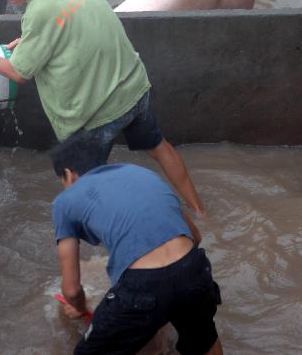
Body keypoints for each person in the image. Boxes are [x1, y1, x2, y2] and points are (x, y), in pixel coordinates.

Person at [0, 0, 205, 215]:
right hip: (134, 88)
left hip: (96, 116)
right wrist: (30, 41)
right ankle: (200, 211)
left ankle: (106, 243)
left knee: (78, 184)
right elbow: (67, 22)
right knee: (159, 147)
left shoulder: (38, 12)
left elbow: (18, 73)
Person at [50, 131, 223, 355]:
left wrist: (80, 309)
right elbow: (195, 236)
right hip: (194, 270)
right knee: (204, 340)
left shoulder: (65, 201)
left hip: (143, 286)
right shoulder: (142, 174)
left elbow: (72, 289)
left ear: (68, 175)